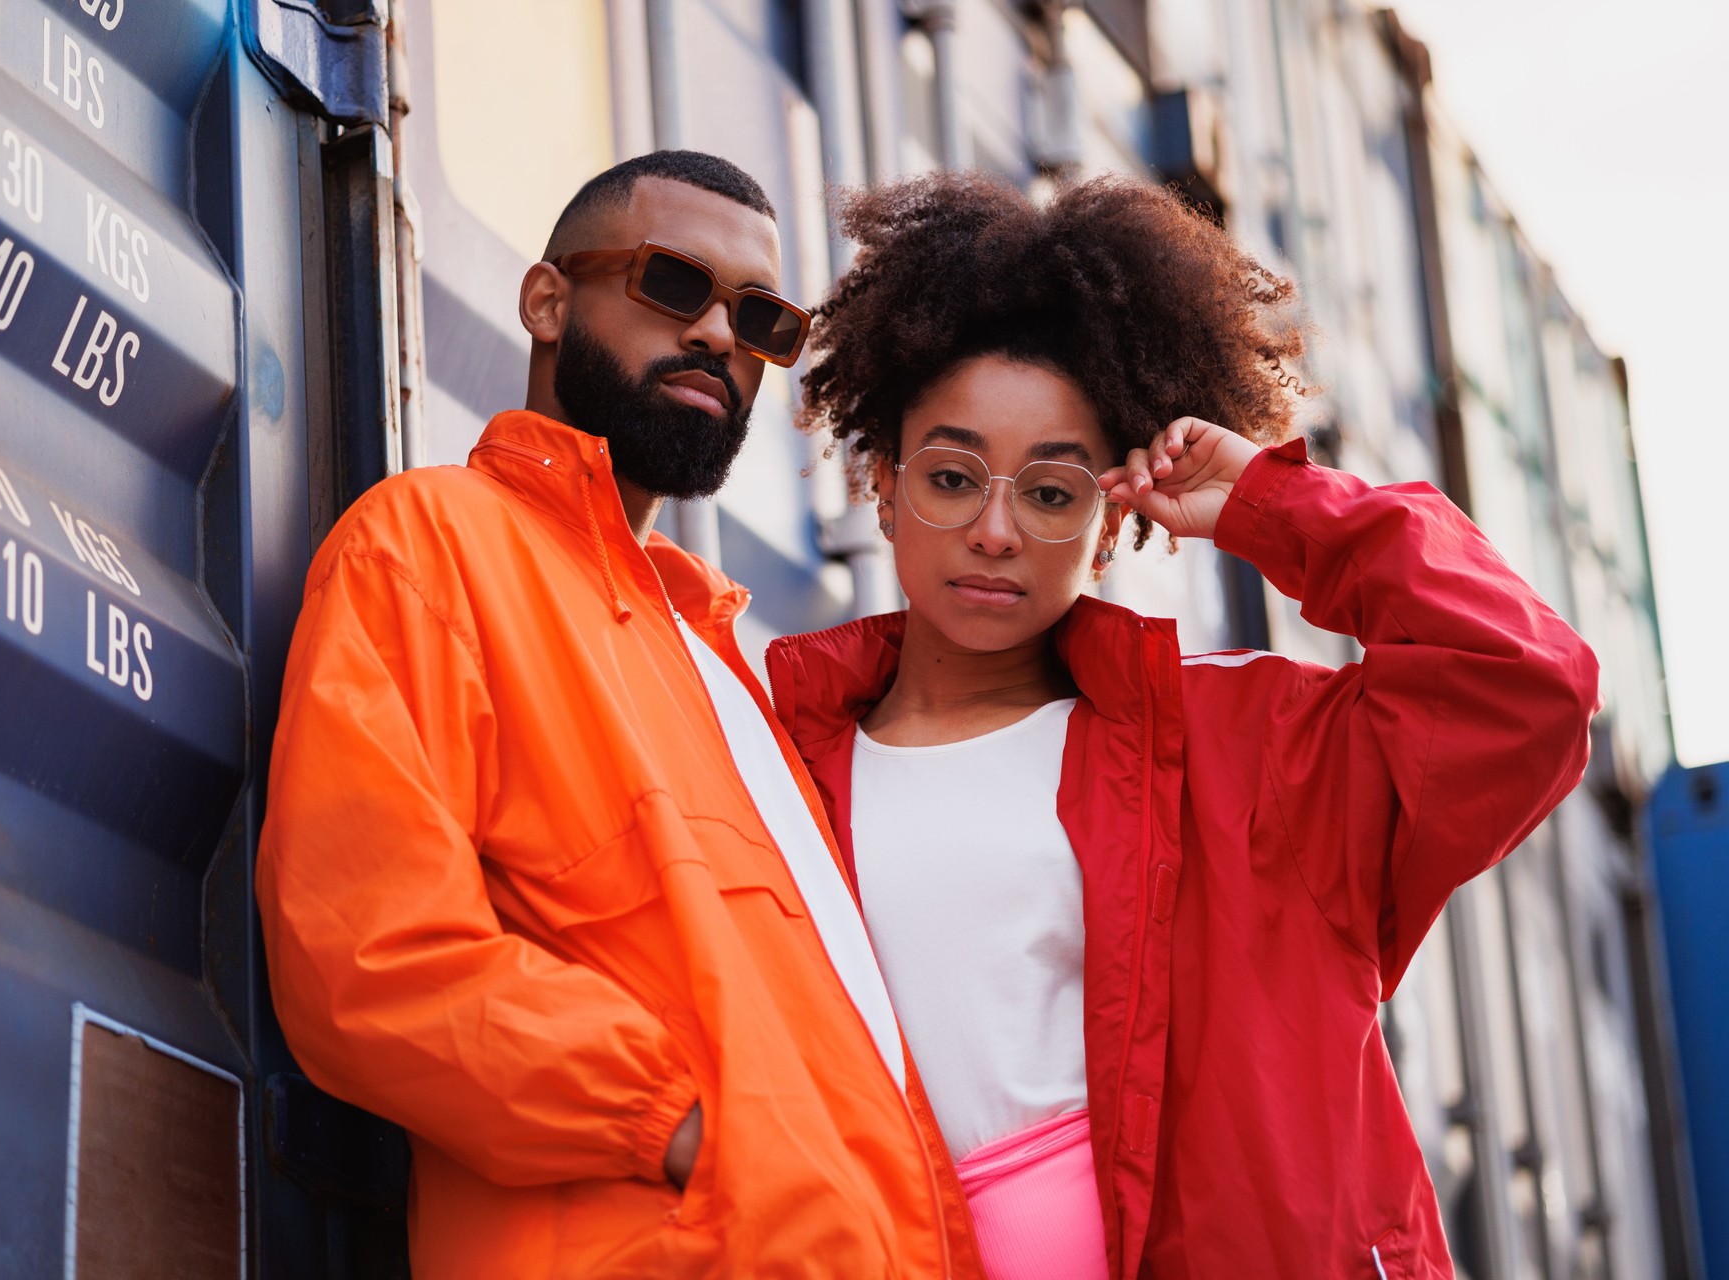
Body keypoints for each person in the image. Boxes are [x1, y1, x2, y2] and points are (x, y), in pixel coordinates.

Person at [768, 171, 1601, 1279]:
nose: (997, 529)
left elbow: (1526, 683)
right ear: (882, 484)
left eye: (1055, 492)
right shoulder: (771, 759)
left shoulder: (1248, 752)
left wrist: (1271, 501)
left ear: (1112, 523)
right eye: (954, 477)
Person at [256, 152, 979, 1278]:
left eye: (760, 318)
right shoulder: (432, 544)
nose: (718, 337)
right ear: (549, 301)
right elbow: (370, 955)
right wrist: (680, 1125)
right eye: (674, 284)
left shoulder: (722, 661)